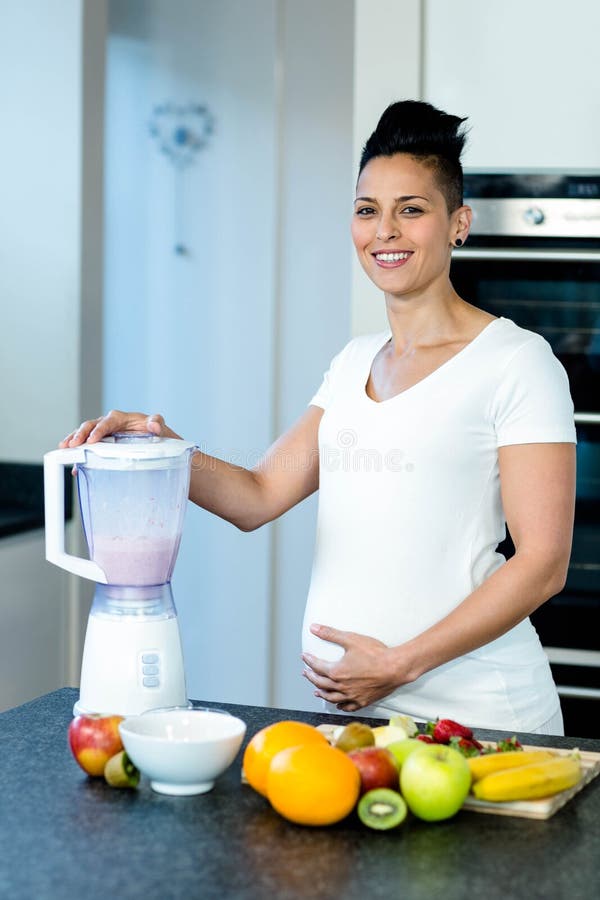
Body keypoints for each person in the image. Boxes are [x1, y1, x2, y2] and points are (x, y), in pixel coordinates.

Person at [62, 100, 576, 734]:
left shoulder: (517, 361)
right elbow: (258, 496)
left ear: (458, 224)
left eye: (411, 210)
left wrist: (399, 663)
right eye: (367, 211)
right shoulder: (354, 361)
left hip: (481, 716)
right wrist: (165, 449)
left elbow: (544, 562)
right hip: (357, 718)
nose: (384, 230)